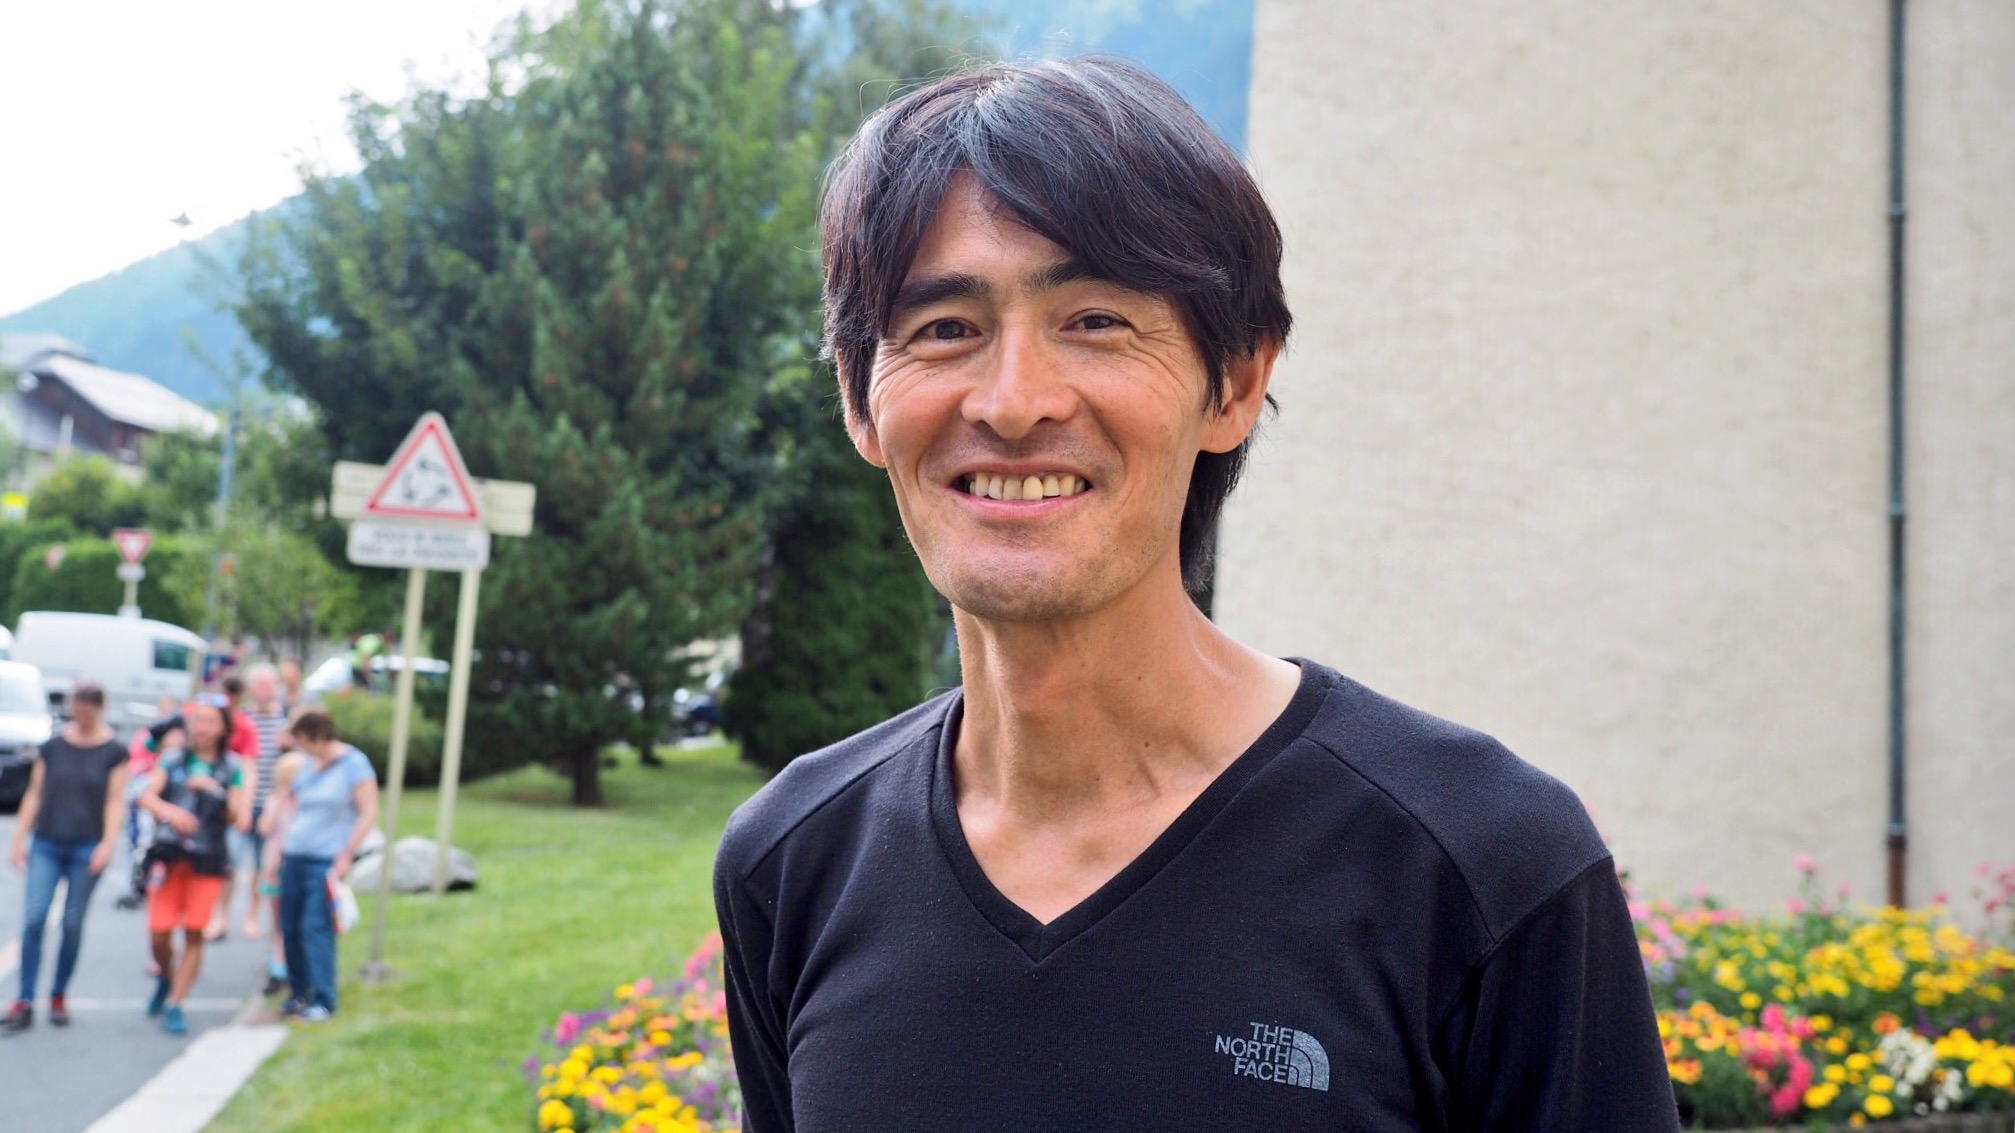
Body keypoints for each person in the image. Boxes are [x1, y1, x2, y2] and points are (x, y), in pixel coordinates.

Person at [713, 58, 1680, 1132]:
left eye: (1094, 319)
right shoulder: (791, 860)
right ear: (858, 399)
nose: (1014, 403)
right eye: (944, 327)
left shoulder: (1479, 865)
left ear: (1236, 382)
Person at [2, 681, 127, 1035]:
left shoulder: (114, 751)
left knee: (72, 922)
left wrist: (108, 843)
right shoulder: (54, 747)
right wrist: (20, 838)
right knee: (34, 919)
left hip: (86, 845)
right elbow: (35, 792)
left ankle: (58, 993)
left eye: (89, 710)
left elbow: (115, 800)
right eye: (78, 708)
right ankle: (25, 999)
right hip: (47, 842)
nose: (82, 716)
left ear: (99, 709)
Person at [139, 696, 248, 1036]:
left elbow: (237, 816)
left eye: (210, 721)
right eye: (198, 720)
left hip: (208, 860)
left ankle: (177, 1002)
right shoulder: (173, 759)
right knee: (159, 933)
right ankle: (166, 976)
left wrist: (214, 789)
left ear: (224, 729)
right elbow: (147, 796)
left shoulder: (232, 767)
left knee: (194, 932)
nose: (202, 727)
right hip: (169, 856)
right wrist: (169, 811)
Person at [277, 707, 377, 1023]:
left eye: (304, 740)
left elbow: (368, 812)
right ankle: (298, 992)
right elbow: (296, 805)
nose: (301, 747)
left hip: (325, 859)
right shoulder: (308, 765)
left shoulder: (354, 765)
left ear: (319, 737)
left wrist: (347, 854)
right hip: (295, 855)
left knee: (315, 926)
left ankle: (323, 998)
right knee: (290, 925)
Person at [257, 751, 307, 996]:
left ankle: (296, 965)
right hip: (275, 868)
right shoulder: (275, 800)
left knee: (300, 919)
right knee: (279, 922)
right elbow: (264, 828)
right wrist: (280, 800)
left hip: (299, 865)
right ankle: (277, 968)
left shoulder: (308, 802)